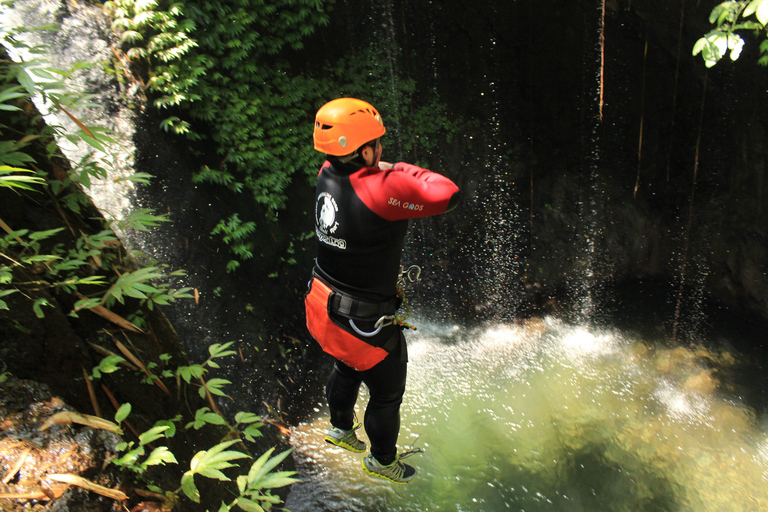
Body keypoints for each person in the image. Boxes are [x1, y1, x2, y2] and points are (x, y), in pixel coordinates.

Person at [304, 97, 460, 483]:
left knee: (345, 366)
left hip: (322, 306)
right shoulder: (381, 188)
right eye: (377, 143)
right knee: (387, 394)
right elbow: (447, 193)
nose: (382, 150)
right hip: (365, 325)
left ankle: (340, 428)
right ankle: (382, 461)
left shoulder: (327, 172)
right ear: (362, 149)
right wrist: (399, 170)